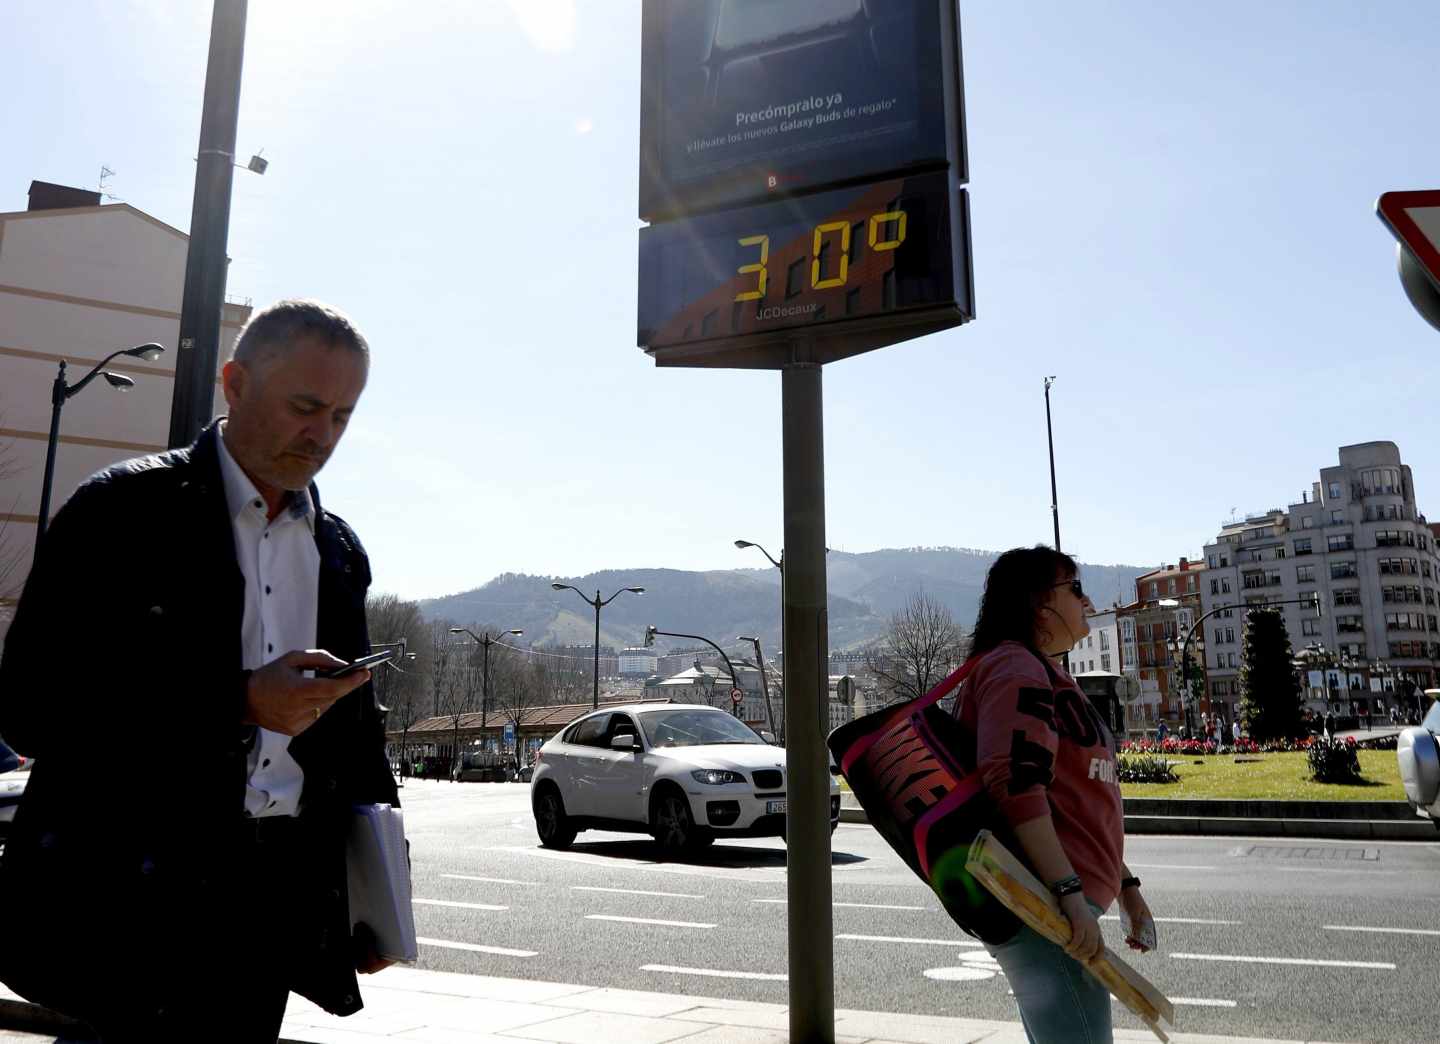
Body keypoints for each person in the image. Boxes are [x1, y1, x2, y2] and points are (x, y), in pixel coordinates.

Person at [0, 300, 397, 1042]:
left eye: (343, 416)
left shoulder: (338, 550)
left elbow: (353, 730)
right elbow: (29, 704)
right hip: (130, 887)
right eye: (306, 407)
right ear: (235, 383)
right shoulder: (122, 512)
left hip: (272, 896)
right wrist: (240, 700)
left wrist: (377, 888)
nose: (322, 436)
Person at [954, 546, 1154, 1044]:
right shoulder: (1015, 668)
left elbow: (1076, 796)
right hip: (1043, 904)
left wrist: (1126, 886)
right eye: (1076, 588)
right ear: (1040, 603)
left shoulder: (1040, 669)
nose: (1088, 602)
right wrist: (1067, 895)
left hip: (1059, 900)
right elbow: (1017, 787)